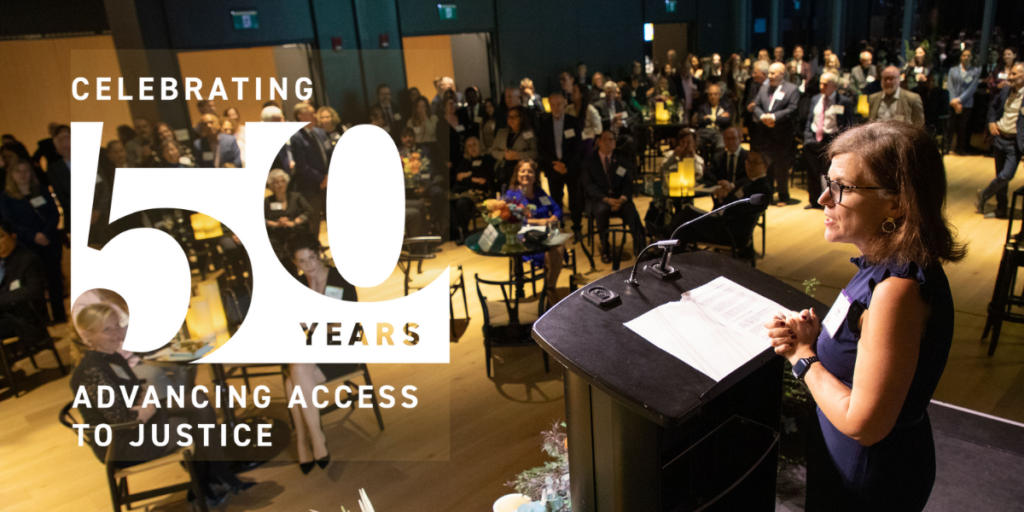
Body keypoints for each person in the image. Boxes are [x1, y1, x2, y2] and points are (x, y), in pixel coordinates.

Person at [768, 121, 964, 512]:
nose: (824, 197)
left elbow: (865, 424)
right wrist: (819, 336)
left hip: (867, 478)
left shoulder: (898, 291)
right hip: (859, 464)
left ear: (897, 202)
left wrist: (802, 357)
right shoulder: (885, 265)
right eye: (828, 181)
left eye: (841, 187)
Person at [70, 301, 254, 506]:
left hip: (137, 427)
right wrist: (148, 407)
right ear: (87, 336)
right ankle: (211, 481)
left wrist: (147, 406)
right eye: (107, 329)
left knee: (197, 401)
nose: (117, 333)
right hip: (122, 445)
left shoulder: (111, 358)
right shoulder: (91, 371)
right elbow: (126, 419)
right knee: (195, 421)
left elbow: (138, 395)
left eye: (117, 325)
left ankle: (213, 478)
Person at [286, 232, 358, 473]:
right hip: (311, 350)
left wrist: (312, 327)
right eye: (302, 262)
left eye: (312, 259)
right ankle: (312, 441)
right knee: (296, 373)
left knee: (293, 378)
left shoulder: (340, 279)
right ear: (295, 263)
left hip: (342, 348)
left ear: (320, 255)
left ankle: (307, 441)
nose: (309, 266)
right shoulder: (298, 284)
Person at [670, 149, 771, 259]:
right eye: (748, 161)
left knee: (688, 213)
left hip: (731, 232)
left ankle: (664, 237)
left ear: (765, 166)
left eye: (754, 162)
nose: (749, 165)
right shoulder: (748, 181)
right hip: (724, 224)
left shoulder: (763, 189)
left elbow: (743, 211)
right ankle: (670, 259)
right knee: (684, 232)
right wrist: (724, 195)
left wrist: (726, 199)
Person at [1, 159, 65, 323]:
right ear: (12, 175)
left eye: (26, 171)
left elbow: (54, 214)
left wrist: (45, 233)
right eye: (18, 172)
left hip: (49, 241)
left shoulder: (41, 191)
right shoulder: (6, 198)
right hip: (27, 246)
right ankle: (41, 319)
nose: (23, 175)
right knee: (34, 283)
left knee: (54, 278)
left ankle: (60, 315)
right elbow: (10, 223)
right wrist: (34, 236)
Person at [505, 160, 563, 304]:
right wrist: (541, 222)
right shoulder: (512, 193)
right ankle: (549, 292)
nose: (526, 174)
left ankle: (549, 287)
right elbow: (514, 219)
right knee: (554, 249)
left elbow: (556, 208)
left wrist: (554, 218)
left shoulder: (539, 192)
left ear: (534, 175)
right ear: (517, 174)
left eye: (530, 171)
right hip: (525, 237)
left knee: (557, 245)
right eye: (523, 171)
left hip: (545, 232)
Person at [582, 130, 646, 263]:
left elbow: (628, 183)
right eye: (604, 139)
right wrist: (607, 199)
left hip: (619, 199)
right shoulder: (589, 162)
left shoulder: (621, 162)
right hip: (600, 200)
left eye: (610, 139)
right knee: (601, 210)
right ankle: (605, 249)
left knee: (631, 210)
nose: (607, 142)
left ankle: (640, 248)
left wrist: (622, 198)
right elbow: (589, 186)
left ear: (615, 144)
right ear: (599, 142)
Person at [978, 62, 1024, 219]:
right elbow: (993, 106)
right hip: (1000, 139)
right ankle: (1001, 209)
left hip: (1014, 143)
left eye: (1014, 74)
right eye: (1010, 74)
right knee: (1001, 177)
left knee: (1006, 175)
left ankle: (984, 194)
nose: (1010, 77)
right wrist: (991, 122)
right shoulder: (1004, 91)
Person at [0, 219, 51, 359]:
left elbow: (33, 291)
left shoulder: (26, 259)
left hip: (24, 318)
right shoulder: (2, 263)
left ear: (13, 236)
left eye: (1, 237)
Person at [805, 72, 856, 209]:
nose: (821, 86)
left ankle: (829, 202)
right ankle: (814, 201)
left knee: (827, 175)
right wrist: (807, 138)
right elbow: (810, 119)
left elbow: (849, 124)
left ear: (834, 85)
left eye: (825, 84)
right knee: (813, 172)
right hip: (814, 139)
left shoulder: (843, 101)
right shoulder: (815, 98)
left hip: (832, 141)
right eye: (820, 83)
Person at [753, 62, 800, 206]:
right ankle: (766, 196)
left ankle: (783, 197)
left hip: (782, 135)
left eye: (773, 73)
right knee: (766, 167)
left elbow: (792, 108)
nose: (770, 76)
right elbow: (756, 105)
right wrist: (763, 117)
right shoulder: (764, 88)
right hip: (765, 134)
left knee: (781, 168)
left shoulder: (792, 89)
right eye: (769, 73)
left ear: (782, 74)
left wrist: (773, 117)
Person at [537, 93, 583, 239]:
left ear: (564, 104)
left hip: (571, 168)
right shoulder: (544, 124)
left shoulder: (573, 122)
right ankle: (559, 227)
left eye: (558, 104)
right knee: (556, 199)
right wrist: (554, 164)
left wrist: (565, 165)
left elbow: (577, 147)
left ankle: (577, 227)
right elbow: (542, 148)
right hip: (553, 169)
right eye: (553, 105)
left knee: (575, 199)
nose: (556, 107)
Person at [289, 102, 332, 234]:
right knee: (314, 221)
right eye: (311, 113)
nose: (315, 115)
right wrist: (321, 179)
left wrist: (329, 176)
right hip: (311, 186)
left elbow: (329, 154)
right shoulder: (296, 137)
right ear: (301, 116)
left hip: (328, 182)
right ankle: (314, 251)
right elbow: (302, 166)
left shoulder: (320, 132)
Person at [450, 136, 495, 243]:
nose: (472, 148)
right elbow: (458, 180)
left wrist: (466, 176)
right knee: (448, 201)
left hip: (480, 192)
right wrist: (473, 179)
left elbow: (484, 180)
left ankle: (464, 232)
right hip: (463, 190)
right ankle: (459, 229)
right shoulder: (464, 162)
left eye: (474, 145)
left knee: (462, 203)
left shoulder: (487, 159)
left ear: (480, 145)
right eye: (469, 146)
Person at [265, 168, 312, 268]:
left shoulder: (295, 197)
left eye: (283, 181)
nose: (280, 184)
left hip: (295, 231)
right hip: (276, 235)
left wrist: (293, 222)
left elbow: (309, 211)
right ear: (271, 185)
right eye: (276, 182)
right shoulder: (268, 201)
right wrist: (276, 224)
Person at [490, 106, 538, 189]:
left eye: (514, 117)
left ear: (521, 118)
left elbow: (535, 152)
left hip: (521, 170)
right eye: (509, 116)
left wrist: (518, 155)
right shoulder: (501, 132)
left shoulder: (529, 133)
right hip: (503, 170)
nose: (511, 119)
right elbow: (493, 150)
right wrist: (504, 155)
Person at [945, 48, 981, 155]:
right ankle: (947, 148)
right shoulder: (953, 70)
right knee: (950, 126)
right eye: (964, 55)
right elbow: (950, 85)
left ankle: (960, 149)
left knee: (962, 127)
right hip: (953, 103)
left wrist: (960, 100)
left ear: (972, 57)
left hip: (966, 103)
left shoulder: (975, 71)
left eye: (968, 56)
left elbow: (972, 88)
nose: (966, 57)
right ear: (961, 57)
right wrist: (953, 100)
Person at [707, 127, 748, 208]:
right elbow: (708, 174)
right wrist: (719, 183)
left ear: (740, 139)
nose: (731, 142)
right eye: (727, 139)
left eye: (733, 138)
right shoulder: (718, 157)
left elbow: (749, 178)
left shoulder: (748, 157)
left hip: (743, 200)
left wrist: (732, 185)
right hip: (721, 200)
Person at [694, 83, 733, 152]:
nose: (713, 96)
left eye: (715, 94)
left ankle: (716, 162)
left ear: (719, 95)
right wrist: (718, 117)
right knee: (695, 145)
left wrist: (709, 117)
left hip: (718, 131)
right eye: (710, 94)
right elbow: (700, 121)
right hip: (703, 132)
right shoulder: (702, 107)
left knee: (720, 146)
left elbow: (726, 121)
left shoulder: (726, 106)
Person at [744, 60, 769, 146]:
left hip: (767, 125)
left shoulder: (773, 86)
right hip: (754, 124)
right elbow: (749, 102)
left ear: (764, 74)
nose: (753, 75)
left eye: (755, 73)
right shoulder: (754, 84)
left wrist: (756, 105)